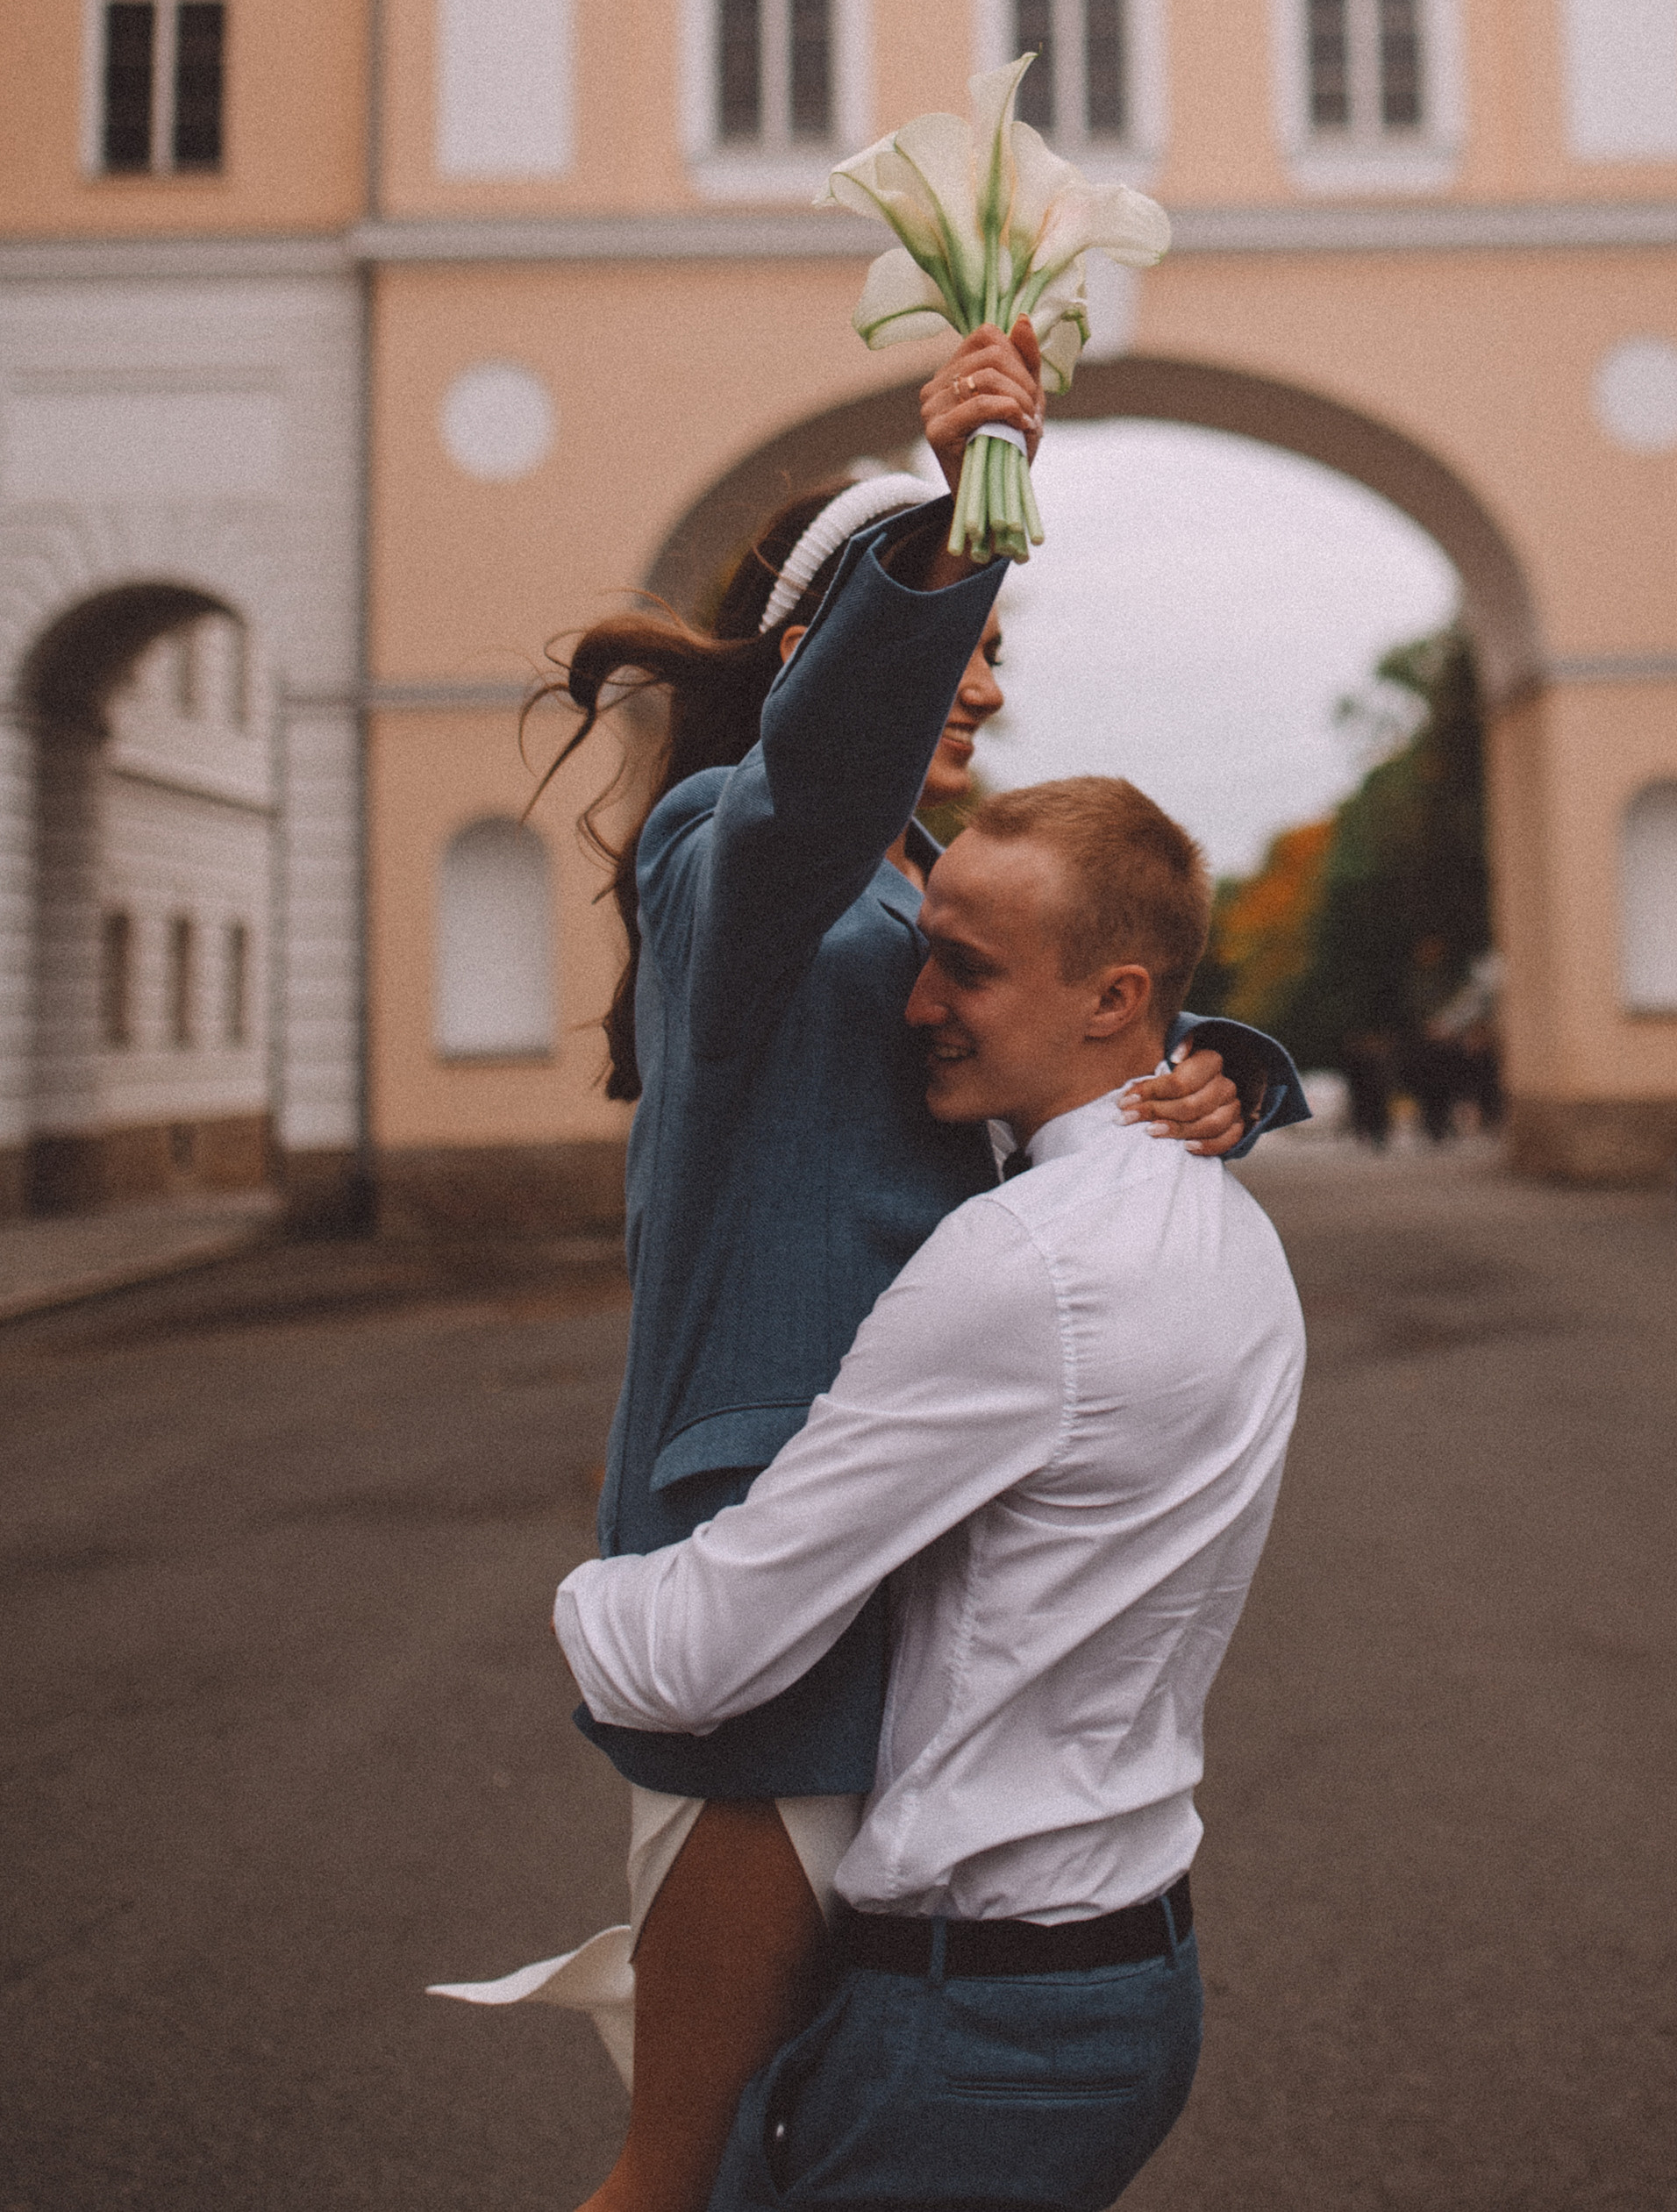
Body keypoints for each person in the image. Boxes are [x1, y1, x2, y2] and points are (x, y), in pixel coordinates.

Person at [433, 322, 1307, 2212]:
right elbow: (809, 795)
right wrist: (949, 527)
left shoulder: (909, 881)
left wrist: (1220, 1065)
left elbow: (1056, 1021)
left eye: (994, 645)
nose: (985, 676)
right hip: (777, 1538)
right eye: (948, 641)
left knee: (811, 2116)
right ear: (828, 642)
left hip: (911, 1507)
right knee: (673, 2166)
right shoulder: (720, 854)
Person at [555, 775, 1308, 2212]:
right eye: (923, 953)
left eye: (966, 966)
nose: (914, 1004)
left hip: (983, 2018)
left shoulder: (1017, 1263)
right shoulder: (1234, 1229)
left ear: (1116, 999)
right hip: (1125, 1979)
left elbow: (701, 1651)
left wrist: (587, 1585)